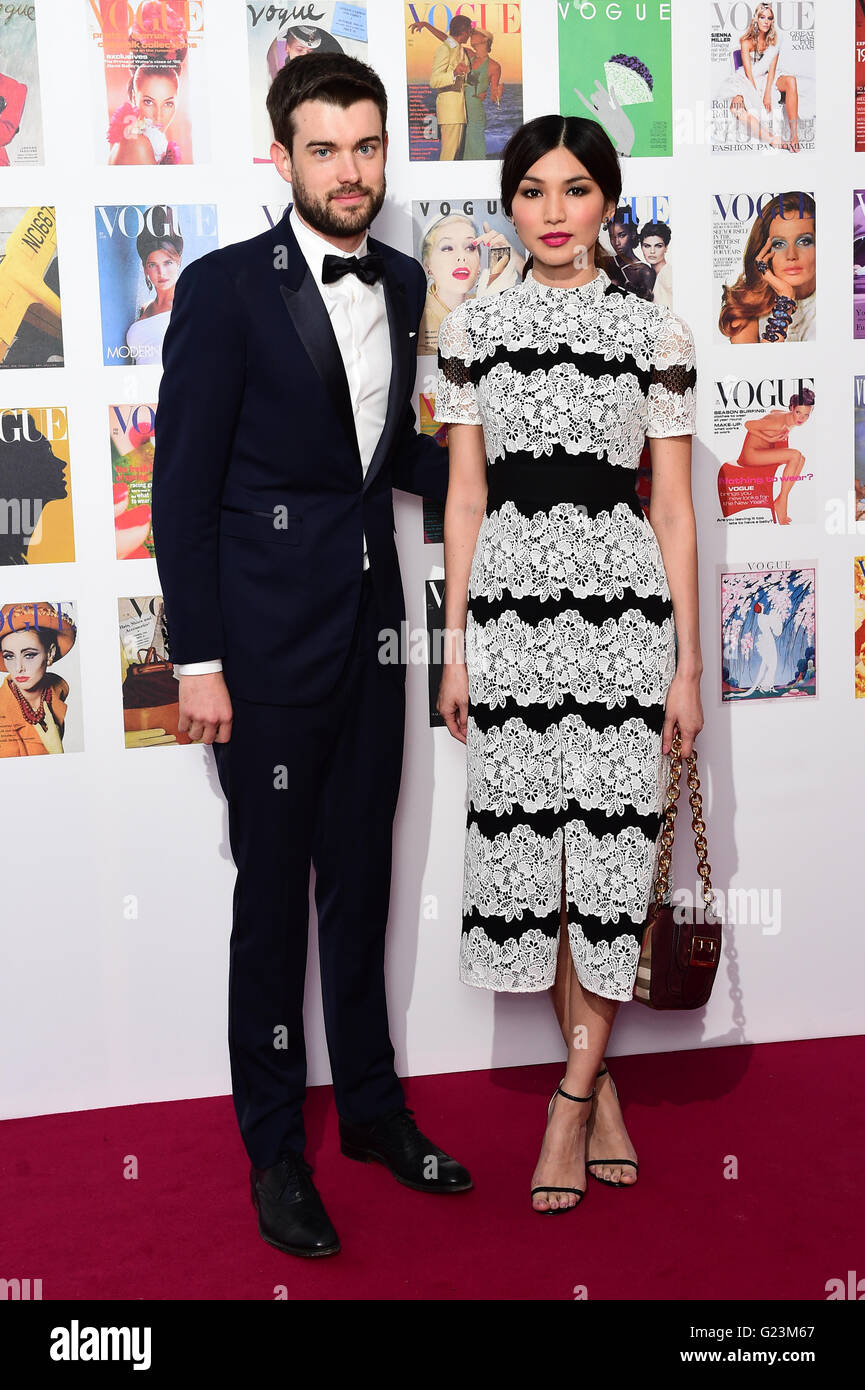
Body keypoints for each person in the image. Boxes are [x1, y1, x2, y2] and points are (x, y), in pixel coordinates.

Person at [151, 52, 471, 1261]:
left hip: (372, 637)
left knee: (364, 887)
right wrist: (198, 662)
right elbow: (181, 494)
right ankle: (276, 1147)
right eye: (325, 148)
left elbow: (377, 457)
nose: (350, 170)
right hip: (265, 657)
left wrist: (509, 476)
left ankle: (375, 1114)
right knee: (271, 907)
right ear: (281, 156)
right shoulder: (226, 289)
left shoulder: (396, 279)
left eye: (367, 146)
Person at [434, 114, 701, 1213]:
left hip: (623, 622)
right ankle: (598, 1091)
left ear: (607, 203)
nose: (553, 212)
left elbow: (675, 509)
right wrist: (454, 647)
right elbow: (464, 496)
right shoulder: (473, 328)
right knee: (540, 868)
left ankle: (567, 1101)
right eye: (533, 190)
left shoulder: (660, 334)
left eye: (576, 190)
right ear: (510, 204)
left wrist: (684, 666)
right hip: (509, 625)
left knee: (604, 863)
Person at [417, 211, 524, 354]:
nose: (462, 257)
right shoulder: (419, 319)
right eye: (448, 248)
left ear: (479, 263)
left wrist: (512, 257)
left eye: (470, 247)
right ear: (427, 265)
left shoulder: (485, 300)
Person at [719, 191, 816, 343]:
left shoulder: (839, 301)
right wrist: (785, 300)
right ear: (763, 252)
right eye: (779, 244)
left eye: (804, 242)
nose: (791, 255)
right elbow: (755, 366)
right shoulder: (746, 307)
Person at [718, 389, 813, 525]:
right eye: (798, 412)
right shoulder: (778, 423)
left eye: (806, 415)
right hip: (751, 455)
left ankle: (780, 500)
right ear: (792, 408)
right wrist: (769, 438)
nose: (801, 418)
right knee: (795, 455)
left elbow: (774, 411)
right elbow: (748, 424)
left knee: (801, 459)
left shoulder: (787, 417)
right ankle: (783, 501)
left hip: (763, 451)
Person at [0, 602, 76, 756]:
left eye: (29, 655)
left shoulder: (57, 689)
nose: (18, 667)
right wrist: (56, 752)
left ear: (50, 654)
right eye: (9, 656)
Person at [125, 226, 183, 366]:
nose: (161, 272)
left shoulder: (188, 307)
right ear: (145, 269)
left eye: (167, 263)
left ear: (178, 262)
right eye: (152, 265)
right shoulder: (144, 309)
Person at [424, 14, 472, 160]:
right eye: (469, 30)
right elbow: (434, 81)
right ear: (464, 32)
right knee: (448, 157)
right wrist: (453, 73)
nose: (470, 34)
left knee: (455, 156)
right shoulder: (444, 49)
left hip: (458, 112)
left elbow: (447, 38)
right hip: (450, 112)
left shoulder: (456, 47)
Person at [639, 220, 672, 308]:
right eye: (647, 246)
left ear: (666, 248)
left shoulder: (667, 275)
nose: (652, 251)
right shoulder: (652, 276)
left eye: (658, 246)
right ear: (641, 247)